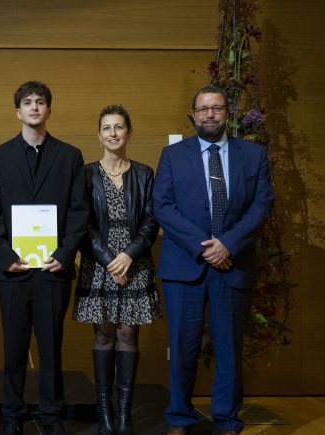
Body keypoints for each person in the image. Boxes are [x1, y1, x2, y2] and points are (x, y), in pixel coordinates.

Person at [154, 86, 274, 435]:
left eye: (217, 108)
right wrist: (204, 246)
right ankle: (179, 417)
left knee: (228, 350)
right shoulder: (172, 155)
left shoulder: (254, 155)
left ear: (227, 113)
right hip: (185, 267)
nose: (209, 114)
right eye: (203, 109)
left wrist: (228, 245)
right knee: (182, 349)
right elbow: (162, 205)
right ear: (193, 115)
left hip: (233, 266)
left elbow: (262, 204)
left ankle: (226, 419)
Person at [0, 81, 88, 435]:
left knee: (50, 347)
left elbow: (78, 211)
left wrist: (64, 252)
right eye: (27, 103)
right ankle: (12, 414)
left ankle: (51, 414)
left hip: (53, 268)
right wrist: (5, 254)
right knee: (13, 348)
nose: (34, 108)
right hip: (12, 269)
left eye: (40, 102)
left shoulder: (70, 156)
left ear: (48, 110)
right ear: (18, 111)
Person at [72, 105, 161, 435]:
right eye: (107, 128)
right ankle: (104, 411)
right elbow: (82, 223)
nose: (113, 133)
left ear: (128, 132)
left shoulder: (143, 173)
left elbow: (151, 222)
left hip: (135, 264)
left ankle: (124, 413)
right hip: (100, 265)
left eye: (119, 127)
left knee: (128, 333)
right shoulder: (86, 174)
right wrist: (110, 258)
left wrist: (129, 255)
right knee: (105, 333)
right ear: (99, 134)